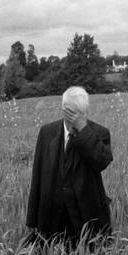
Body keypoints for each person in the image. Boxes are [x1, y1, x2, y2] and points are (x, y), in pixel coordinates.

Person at [26, 86, 113, 246]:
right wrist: (32, 220)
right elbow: (37, 176)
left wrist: (82, 129)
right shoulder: (47, 133)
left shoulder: (99, 133)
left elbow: (102, 161)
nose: (75, 119)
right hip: (52, 216)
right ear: (63, 110)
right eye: (71, 114)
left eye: (80, 114)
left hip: (86, 217)